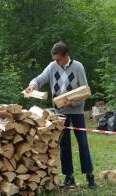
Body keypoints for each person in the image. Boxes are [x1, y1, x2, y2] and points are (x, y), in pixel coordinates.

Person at [25, 41, 97, 189]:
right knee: (64, 145)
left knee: (82, 143)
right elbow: (40, 78)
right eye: (54, 59)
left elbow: (85, 90)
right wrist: (33, 85)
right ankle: (69, 177)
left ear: (66, 56)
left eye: (58, 59)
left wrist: (73, 103)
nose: (55, 61)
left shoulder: (78, 67)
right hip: (60, 112)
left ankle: (90, 177)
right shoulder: (52, 66)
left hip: (76, 111)